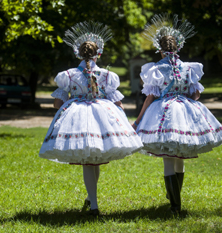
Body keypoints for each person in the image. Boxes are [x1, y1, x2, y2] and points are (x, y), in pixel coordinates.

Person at [39, 21, 143, 216]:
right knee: (93, 159)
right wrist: (125, 122)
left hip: (78, 116)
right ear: (98, 54)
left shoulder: (68, 75)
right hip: (102, 115)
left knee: (89, 160)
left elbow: (57, 103)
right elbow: (117, 101)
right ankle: (91, 198)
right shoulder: (107, 75)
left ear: (78, 53)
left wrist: (64, 115)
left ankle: (93, 205)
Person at [132, 14, 222, 213]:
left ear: (160, 50)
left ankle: (174, 204)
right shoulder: (188, 67)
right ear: (177, 47)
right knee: (179, 158)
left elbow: (150, 97)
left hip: (164, 112)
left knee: (168, 155)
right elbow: (195, 94)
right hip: (184, 110)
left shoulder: (156, 69)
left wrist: (139, 119)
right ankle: (175, 200)